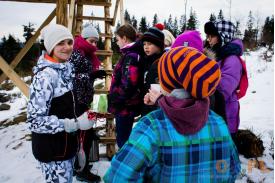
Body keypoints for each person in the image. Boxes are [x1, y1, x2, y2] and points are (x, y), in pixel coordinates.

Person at [103, 46, 241, 182]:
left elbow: (117, 178)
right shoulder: (218, 123)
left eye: (161, 78)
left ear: (167, 84)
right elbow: (233, 169)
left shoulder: (151, 127)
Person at [27, 24, 94, 183]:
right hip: (52, 153)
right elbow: (34, 121)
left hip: (65, 148)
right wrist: (73, 124)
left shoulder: (64, 69)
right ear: (50, 46)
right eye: (60, 43)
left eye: (69, 42)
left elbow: (63, 106)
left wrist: (83, 114)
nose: (67, 47)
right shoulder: (45, 77)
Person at [69, 24, 105, 182]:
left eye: (96, 41)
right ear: (83, 39)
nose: (94, 45)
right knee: (84, 135)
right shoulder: (76, 53)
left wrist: (92, 75)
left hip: (84, 100)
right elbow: (71, 77)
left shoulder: (86, 53)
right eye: (92, 41)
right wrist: (90, 76)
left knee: (85, 135)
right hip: (77, 102)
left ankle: (80, 165)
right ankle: (81, 170)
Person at [204, 20, 243, 139]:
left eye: (212, 36)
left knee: (225, 150)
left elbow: (223, 89)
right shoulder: (215, 55)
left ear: (223, 37)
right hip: (214, 111)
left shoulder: (232, 60)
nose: (208, 40)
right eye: (207, 36)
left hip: (226, 114)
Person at [144, 30, 204, 107]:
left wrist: (160, 100)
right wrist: (156, 100)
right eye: (176, 58)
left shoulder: (205, 88)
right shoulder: (170, 75)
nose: (181, 65)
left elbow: (187, 112)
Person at [107, 24, 144, 148]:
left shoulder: (131, 56)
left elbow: (128, 84)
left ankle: (126, 165)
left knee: (123, 141)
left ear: (124, 38)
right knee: (123, 139)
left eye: (117, 39)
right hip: (125, 105)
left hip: (125, 106)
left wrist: (115, 97)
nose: (117, 43)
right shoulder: (130, 54)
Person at [141, 27, 165, 116]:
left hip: (157, 106)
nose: (146, 47)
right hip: (146, 102)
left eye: (150, 44)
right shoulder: (146, 61)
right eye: (144, 44)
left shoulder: (163, 62)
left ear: (159, 46)